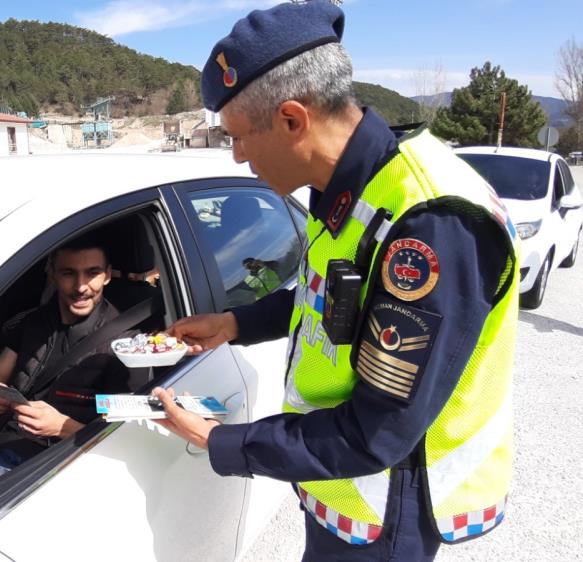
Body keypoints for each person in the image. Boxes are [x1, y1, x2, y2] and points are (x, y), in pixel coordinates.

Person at [151, 2, 519, 560]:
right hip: (341, 495)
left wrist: (218, 440)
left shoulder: (430, 222)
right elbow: (329, 296)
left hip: (384, 511)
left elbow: (377, 434)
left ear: (293, 119)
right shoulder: (350, 189)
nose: (238, 156)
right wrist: (234, 322)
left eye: (240, 136)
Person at [0, 235, 131, 498]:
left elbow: (125, 442)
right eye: (69, 273)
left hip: (64, 470)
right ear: (52, 274)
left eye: (92, 273)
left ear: (108, 275)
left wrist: (63, 427)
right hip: (0, 451)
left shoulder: (125, 345)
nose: (81, 287)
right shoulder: (32, 323)